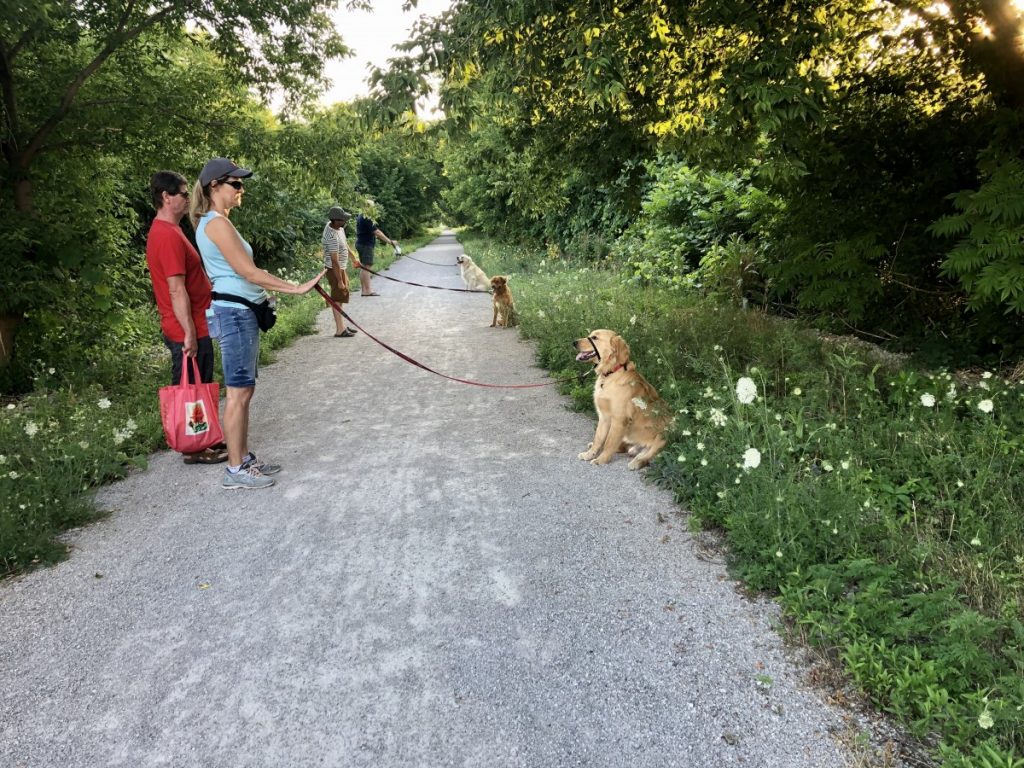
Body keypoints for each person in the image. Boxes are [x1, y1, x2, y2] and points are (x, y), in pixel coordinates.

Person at [190, 157, 325, 490]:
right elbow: (247, 272)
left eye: (241, 183)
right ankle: (235, 470)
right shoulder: (216, 224)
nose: (241, 189)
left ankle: (243, 457)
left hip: (240, 311)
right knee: (237, 392)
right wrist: (295, 287)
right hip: (234, 313)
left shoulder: (219, 222)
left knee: (245, 390)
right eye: (235, 184)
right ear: (214, 186)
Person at [145, 170, 227, 466]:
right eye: (182, 193)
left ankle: (205, 437)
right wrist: (189, 332)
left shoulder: (173, 230)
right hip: (186, 327)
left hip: (194, 322)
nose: (187, 197)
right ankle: (194, 447)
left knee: (199, 383)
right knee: (191, 388)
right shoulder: (165, 235)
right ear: (166, 197)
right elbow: (176, 289)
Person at [322, 206, 361, 337]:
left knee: (341, 297)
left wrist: (353, 257)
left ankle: (342, 325)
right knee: (337, 298)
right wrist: (339, 281)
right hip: (334, 270)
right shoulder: (331, 235)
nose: (345, 221)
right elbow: (334, 261)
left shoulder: (339, 228)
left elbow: (344, 245)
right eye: (343, 219)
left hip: (341, 268)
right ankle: (339, 330)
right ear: (335, 220)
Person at [354, 201, 398, 297]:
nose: (374, 209)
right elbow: (377, 232)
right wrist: (390, 242)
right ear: (368, 207)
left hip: (361, 244)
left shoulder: (361, 216)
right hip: (366, 245)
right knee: (367, 267)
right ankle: (368, 290)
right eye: (373, 207)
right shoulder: (367, 218)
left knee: (363, 266)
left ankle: (364, 290)